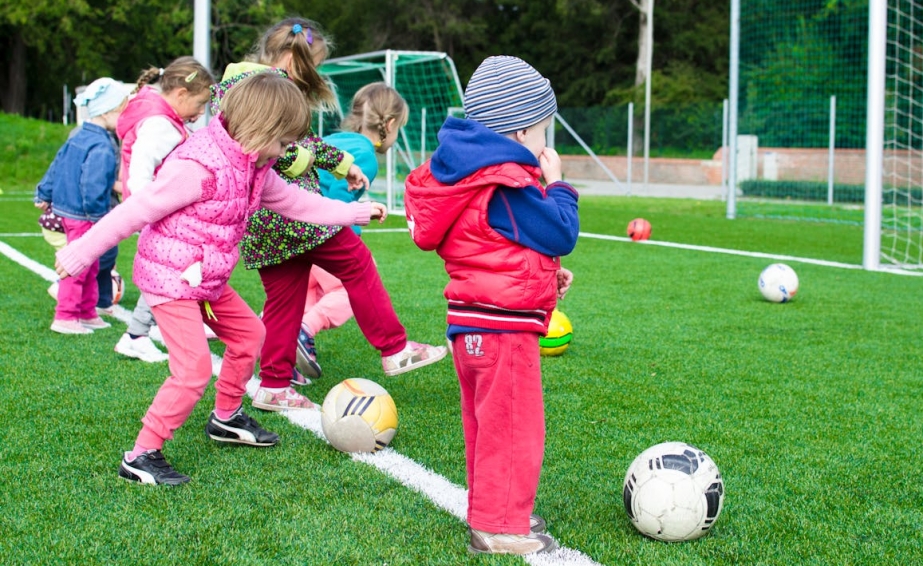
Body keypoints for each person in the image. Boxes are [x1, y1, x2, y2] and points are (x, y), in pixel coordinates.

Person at [54, 72, 388, 486]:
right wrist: (80, 252)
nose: (288, 152)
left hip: (206, 279)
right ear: (261, 129)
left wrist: (353, 212)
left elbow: (294, 202)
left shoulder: (255, 164)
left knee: (251, 335)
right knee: (193, 370)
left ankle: (226, 418)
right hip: (171, 280)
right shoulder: (197, 167)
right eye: (285, 143)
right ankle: (140, 455)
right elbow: (135, 211)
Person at [212, 17, 445, 412]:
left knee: (285, 299)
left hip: (263, 222)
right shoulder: (262, 88)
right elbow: (278, 150)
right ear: (290, 58)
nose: (313, 75)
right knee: (356, 263)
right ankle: (394, 348)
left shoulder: (240, 83)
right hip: (292, 212)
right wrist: (314, 168)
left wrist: (343, 165)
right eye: (311, 66)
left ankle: (273, 384)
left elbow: (303, 141)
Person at [404, 55, 579, 555]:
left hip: (474, 324)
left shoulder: (469, 176)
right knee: (513, 428)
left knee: (487, 426)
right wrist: (559, 184)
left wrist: (545, 277)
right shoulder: (505, 182)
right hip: (502, 331)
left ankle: (494, 510)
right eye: (545, 130)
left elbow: (494, 246)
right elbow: (560, 230)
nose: (547, 143)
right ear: (522, 130)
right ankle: (499, 527)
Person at [297, 82, 409, 379]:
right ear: (390, 124)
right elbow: (335, 203)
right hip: (318, 233)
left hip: (293, 231)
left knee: (302, 296)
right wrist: (356, 221)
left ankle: (276, 341)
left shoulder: (336, 140)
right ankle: (304, 330)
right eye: (400, 129)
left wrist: (363, 205)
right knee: (352, 287)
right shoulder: (366, 157)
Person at [113, 56, 215, 363]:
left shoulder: (163, 117)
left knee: (177, 268)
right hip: (158, 213)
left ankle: (151, 329)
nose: (200, 114)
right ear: (181, 95)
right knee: (168, 271)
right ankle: (136, 334)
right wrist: (153, 209)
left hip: (159, 210)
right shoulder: (160, 125)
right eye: (199, 104)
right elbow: (141, 173)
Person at [35, 77, 131, 335]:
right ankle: (65, 316)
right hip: (85, 215)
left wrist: (44, 191)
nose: (124, 117)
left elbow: (57, 162)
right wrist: (99, 217)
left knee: (91, 264)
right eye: (122, 111)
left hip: (72, 211)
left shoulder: (79, 135)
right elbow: (93, 184)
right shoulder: (101, 144)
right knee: (79, 265)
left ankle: (87, 312)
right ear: (109, 111)